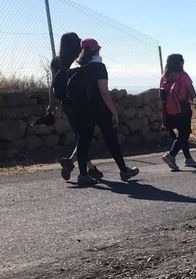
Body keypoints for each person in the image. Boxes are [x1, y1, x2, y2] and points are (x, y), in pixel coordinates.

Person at [67, 38, 139, 186]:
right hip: (99, 108)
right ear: (96, 50)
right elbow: (103, 91)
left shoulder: (74, 67)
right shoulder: (98, 66)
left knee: (83, 141)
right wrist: (113, 111)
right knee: (111, 139)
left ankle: (83, 174)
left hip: (81, 108)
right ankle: (124, 170)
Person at [51, 32, 103, 182]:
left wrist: (51, 103)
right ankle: (79, 168)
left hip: (66, 104)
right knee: (84, 136)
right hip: (81, 102)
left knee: (81, 135)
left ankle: (89, 167)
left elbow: (53, 85)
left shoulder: (56, 61)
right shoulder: (79, 60)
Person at [160, 54, 196, 171]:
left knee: (182, 135)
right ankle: (171, 155)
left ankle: (188, 159)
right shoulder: (183, 77)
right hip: (183, 110)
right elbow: (193, 94)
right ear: (180, 63)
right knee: (184, 134)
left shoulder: (164, 78)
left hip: (168, 112)